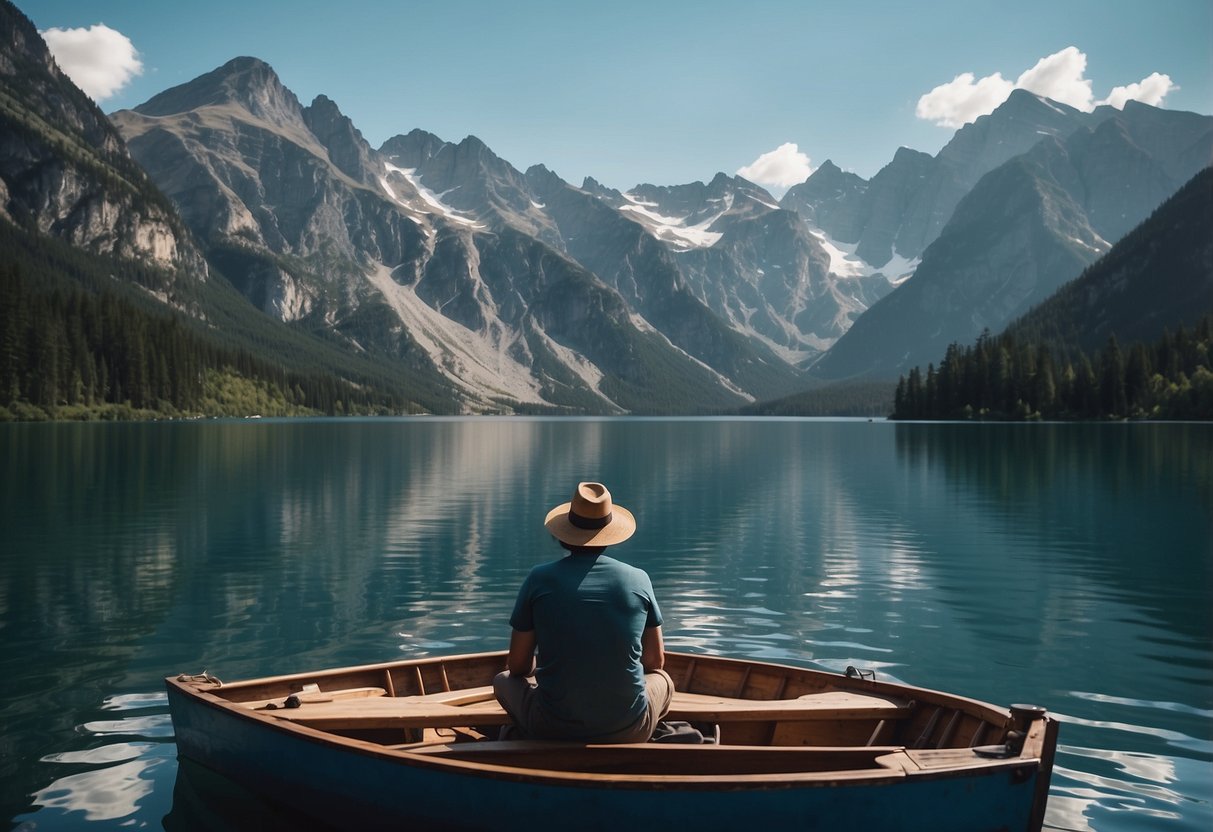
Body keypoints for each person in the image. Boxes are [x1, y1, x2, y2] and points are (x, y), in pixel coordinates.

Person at [493, 482, 673, 743]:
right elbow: (655, 662)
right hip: (631, 729)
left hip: (551, 727)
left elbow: (518, 666)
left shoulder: (539, 579)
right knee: (663, 679)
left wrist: (544, 667)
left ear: (566, 533)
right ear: (609, 532)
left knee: (502, 680)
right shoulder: (639, 579)